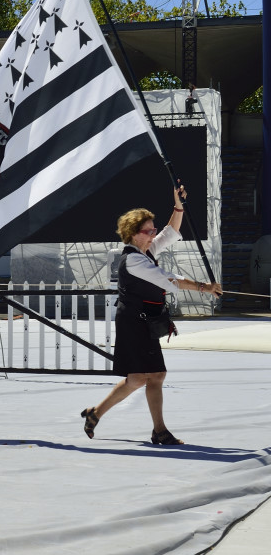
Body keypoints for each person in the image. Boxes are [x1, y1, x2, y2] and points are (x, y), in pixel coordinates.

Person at [80, 186, 220, 445]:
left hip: (141, 322)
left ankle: (95, 413)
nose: (154, 233)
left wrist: (178, 206)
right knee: (154, 375)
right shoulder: (134, 260)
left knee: (137, 379)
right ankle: (159, 431)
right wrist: (204, 287)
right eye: (148, 231)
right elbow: (169, 279)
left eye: (153, 229)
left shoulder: (146, 252)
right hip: (134, 324)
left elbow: (171, 232)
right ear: (134, 234)